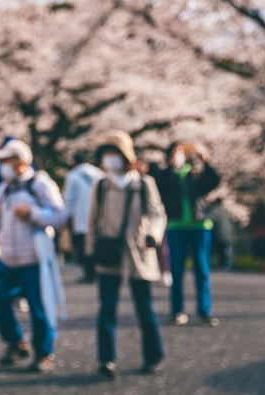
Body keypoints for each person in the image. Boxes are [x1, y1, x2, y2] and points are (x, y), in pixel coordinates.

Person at [86, 130, 166, 379]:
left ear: (126, 156)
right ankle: (107, 359)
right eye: (106, 154)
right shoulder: (101, 185)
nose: (110, 159)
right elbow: (92, 221)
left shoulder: (144, 184)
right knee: (107, 309)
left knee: (145, 309)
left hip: (139, 253)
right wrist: (89, 252)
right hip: (109, 254)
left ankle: (154, 356)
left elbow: (157, 214)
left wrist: (153, 235)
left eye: (114, 154)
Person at [0, 138, 66, 373]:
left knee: (39, 308)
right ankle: (15, 341)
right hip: (7, 258)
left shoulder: (40, 184)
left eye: (7, 161)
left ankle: (44, 352)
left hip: (34, 259)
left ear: (20, 162)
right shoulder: (3, 189)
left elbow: (59, 216)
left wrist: (32, 213)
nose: (3, 166)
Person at [150, 140, 221, 327]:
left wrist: (205, 159)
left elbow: (214, 180)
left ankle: (205, 311)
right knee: (176, 269)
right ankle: (177, 310)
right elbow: (159, 187)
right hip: (175, 226)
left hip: (200, 225)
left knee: (202, 269)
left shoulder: (196, 173)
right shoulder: (166, 175)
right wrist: (171, 166)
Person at [62, 151, 105, 283]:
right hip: (98, 215)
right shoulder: (99, 174)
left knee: (82, 246)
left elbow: (69, 198)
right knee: (95, 243)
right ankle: (98, 270)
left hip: (79, 215)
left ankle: (88, 273)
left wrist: (66, 215)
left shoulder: (72, 176)